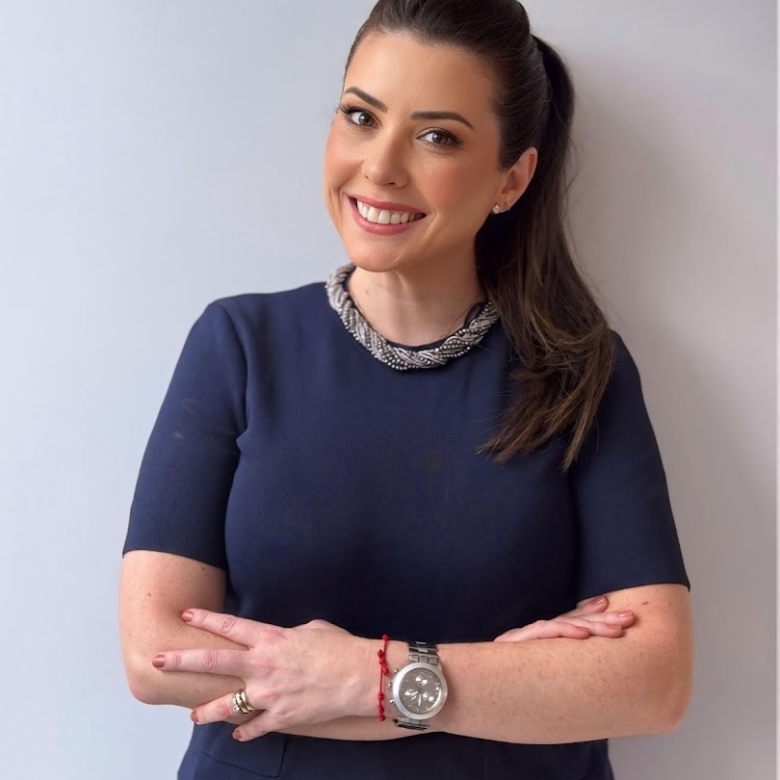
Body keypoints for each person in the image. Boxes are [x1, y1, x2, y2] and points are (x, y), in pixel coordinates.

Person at [119, 1, 692, 778]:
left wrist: (368, 678)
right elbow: (156, 654)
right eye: (360, 117)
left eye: (437, 136)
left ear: (512, 178)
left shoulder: (582, 371)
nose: (381, 166)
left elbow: (652, 683)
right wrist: (483, 682)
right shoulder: (239, 344)